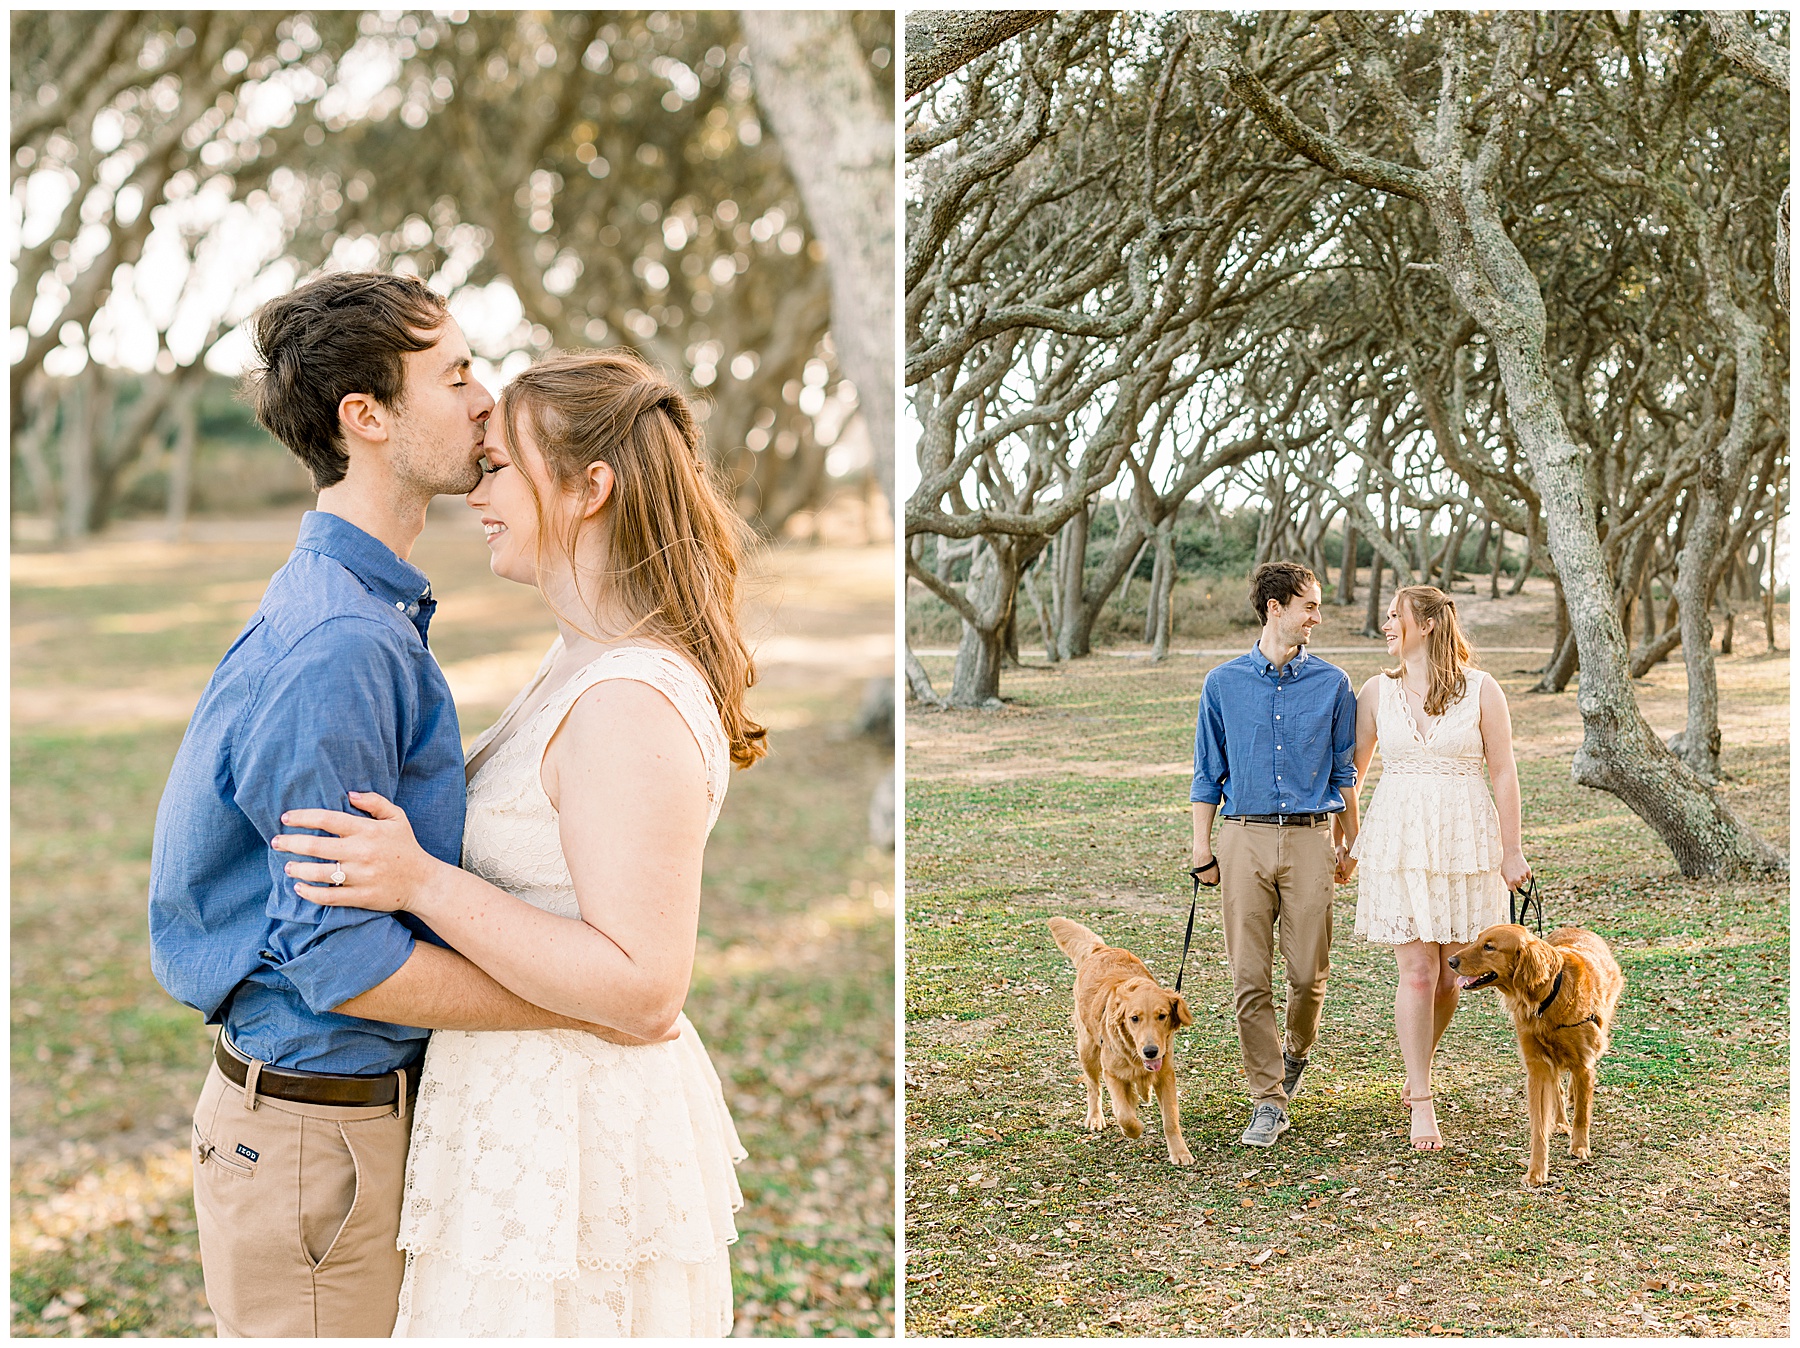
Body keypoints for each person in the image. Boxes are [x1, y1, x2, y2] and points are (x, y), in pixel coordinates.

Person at [148, 273, 643, 1337]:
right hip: (314, 1151)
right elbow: (339, 956)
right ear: (365, 419)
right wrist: (580, 1001)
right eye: (457, 374)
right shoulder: (343, 642)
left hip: (342, 1134)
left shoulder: (369, 609)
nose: (484, 400)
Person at [272, 348, 759, 1335]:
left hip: (576, 1146)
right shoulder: (579, 656)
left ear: (590, 488)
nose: (476, 494)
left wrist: (418, 880)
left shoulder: (628, 700)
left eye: (499, 469)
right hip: (516, 1125)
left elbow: (645, 985)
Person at [1343, 585, 1531, 1150]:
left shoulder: (1482, 690)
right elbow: (1351, 774)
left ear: (1425, 624)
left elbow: (1503, 773)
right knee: (1418, 973)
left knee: (1452, 976)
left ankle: (1417, 1060)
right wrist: (1350, 840)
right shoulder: (1377, 691)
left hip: (1464, 843)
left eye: (1394, 616)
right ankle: (1420, 1097)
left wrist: (1512, 848)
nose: (1386, 625)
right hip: (1399, 841)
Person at [1190, 561, 1359, 1148]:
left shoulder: (1334, 685)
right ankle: (1268, 1099)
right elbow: (1207, 775)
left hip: (1313, 837)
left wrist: (1349, 840)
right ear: (1275, 607)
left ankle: (1296, 1050)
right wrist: (1201, 849)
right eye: (1309, 605)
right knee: (1247, 978)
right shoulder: (1222, 684)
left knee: (1308, 976)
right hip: (1243, 838)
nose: (1317, 616)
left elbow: (1345, 773)